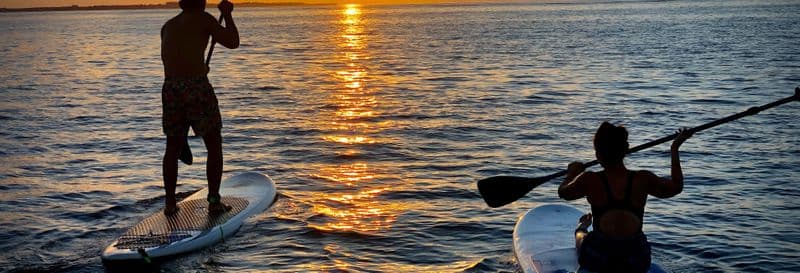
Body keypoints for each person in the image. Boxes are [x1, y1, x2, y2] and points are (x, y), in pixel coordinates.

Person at [558, 122, 693, 273]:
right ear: (626, 150)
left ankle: (582, 227)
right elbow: (676, 187)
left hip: (601, 258)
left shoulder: (589, 179)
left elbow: (563, 193)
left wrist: (571, 174)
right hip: (636, 259)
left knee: (581, 236)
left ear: (597, 154)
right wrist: (674, 148)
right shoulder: (642, 179)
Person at [160, 0, 239, 216]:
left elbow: (178, 57)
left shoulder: (168, 26)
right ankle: (214, 201)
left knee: (172, 147)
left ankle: (170, 204)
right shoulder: (204, 19)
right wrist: (227, 14)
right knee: (213, 143)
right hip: (196, 88)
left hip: (171, 89)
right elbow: (233, 42)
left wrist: (199, 66)